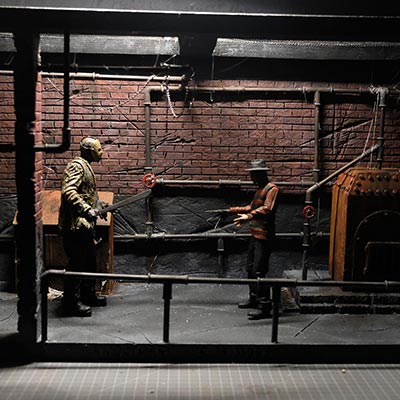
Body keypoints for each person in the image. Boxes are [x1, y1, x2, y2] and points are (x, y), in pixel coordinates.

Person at [58, 137, 107, 317]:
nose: (101, 153)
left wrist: (99, 207)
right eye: (98, 150)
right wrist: (86, 209)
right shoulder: (76, 166)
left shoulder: (87, 166)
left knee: (90, 261)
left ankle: (88, 295)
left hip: (85, 227)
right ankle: (70, 303)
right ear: (88, 151)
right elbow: (68, 191)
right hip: (75, 227)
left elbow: (88, 194)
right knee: (77, 263)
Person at [229, 159, 279, 320]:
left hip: (264, 236)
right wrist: (230, 211)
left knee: (259, 270)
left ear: (260, 174)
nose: (251, 177)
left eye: (253, 174)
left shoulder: (272, 189)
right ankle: (254, 299)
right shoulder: (259, 190)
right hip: (255, 234)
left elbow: (267, 209)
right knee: (250, 268)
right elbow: (251, 207)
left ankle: (264, 306)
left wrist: (248, 217)